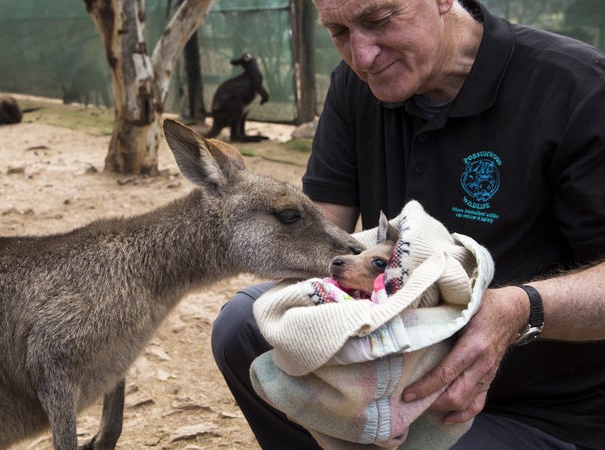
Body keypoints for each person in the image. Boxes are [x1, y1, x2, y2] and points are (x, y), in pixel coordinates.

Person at [210, 0, 605, 448]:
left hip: (539, 409)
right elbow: (317, 233)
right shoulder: (359, 84)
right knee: (244, 324)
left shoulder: (577, 87)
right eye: (337, 32)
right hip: (391, 372)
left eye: (378, 21)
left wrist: (518, 311)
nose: (362, 57)